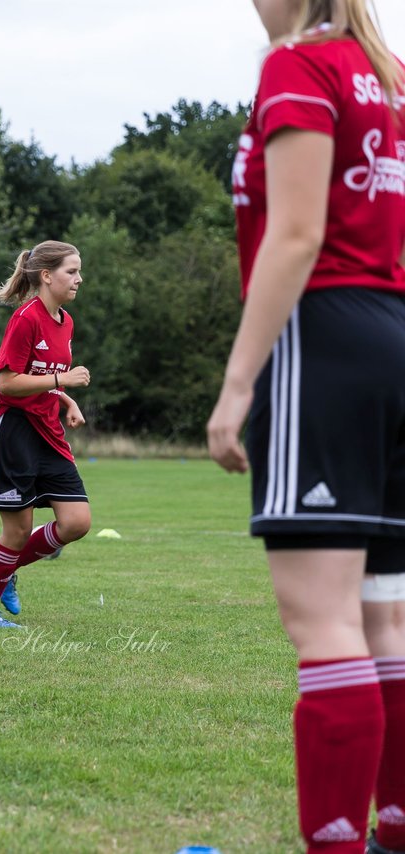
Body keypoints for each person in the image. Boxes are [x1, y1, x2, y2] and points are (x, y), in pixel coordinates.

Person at [206, 2, 405, 851]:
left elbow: (295, 236)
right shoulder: (391, 75)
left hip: (322, 338)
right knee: (386, 619)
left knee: (322, 621)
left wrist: (238, 382)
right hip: (393, 334)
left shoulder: (300, 64)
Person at [0, 241, 92, 629]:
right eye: (71, 272)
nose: (78, 279)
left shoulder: (65, 321)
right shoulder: (25, 318)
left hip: (47, 431)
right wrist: (61, 379)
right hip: (11, 430)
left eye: (78, 271)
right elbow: (7, 384)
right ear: (46, 275)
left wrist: (64, 398)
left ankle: (4, 571)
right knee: (17, 531)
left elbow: (40, 374)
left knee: (77, 522)